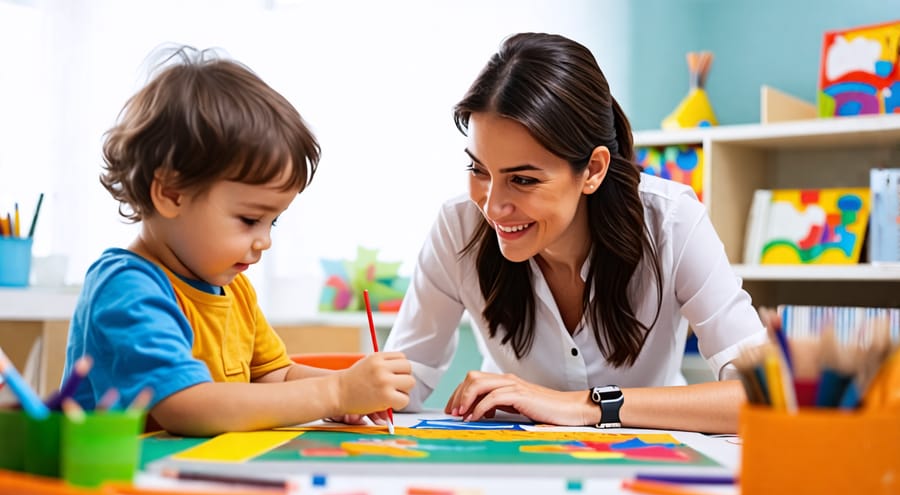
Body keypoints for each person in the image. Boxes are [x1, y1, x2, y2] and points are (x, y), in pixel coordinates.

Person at [383, 32, 766, 434]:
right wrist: (345, 392)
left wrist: (584, 407)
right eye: (479, 170)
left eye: (524, 180)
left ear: (594, 170)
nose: (492, 206)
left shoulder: (672, 222)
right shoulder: (457, 226)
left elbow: (763, 395)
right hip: (512, 460)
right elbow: (399, 382)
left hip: (646, 459)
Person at [60, 46, 414, 436]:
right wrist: (334, 392)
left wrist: (355, 390)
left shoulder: (233, 289)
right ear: (172, 194)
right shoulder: (128, 288)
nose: (264, 241)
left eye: (272, 222)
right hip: (121, 485)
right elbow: (188, 406)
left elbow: (274, 377)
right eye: (249, 219)